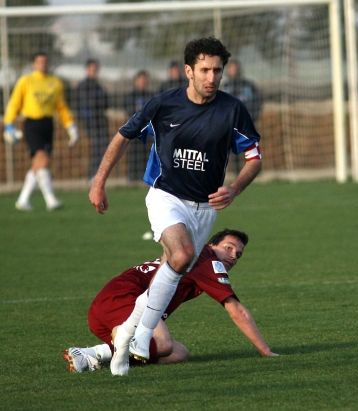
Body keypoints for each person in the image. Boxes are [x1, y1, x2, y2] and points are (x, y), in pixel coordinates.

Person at [88, 37, 263, 376]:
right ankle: (139, 340)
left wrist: (235, 189)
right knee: (181, 256)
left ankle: (126, 333)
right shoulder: (163, 105)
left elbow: (254, 159)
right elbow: (123, 135)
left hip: (205, 208)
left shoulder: (232, 110)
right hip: (165, 195)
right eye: (205, 70)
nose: (212, 77)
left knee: (173, 266)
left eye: (217, 71)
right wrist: (98, 182)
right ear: (188, 71)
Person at [63, 229, 278, 373]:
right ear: (212, 245)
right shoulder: (207, 259)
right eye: (228, 248)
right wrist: (265, 351)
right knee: (163, 343)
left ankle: (93, 354)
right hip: (121, 300)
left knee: (178, 353)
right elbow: (236, 310)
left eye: (238, 255)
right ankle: (109, 346)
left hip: (105, 308)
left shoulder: (195, 253)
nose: (233, 256)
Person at [3, 51, 79, 211]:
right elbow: (14, 103)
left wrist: (70, 126)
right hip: (32, 124)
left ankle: (23, 200)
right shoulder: (26, 81)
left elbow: (61, 107)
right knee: (42, 160)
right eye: (39, 62)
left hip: (48, 124)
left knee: (39, 164)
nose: (42, 64)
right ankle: (50, 199)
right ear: (34, 64)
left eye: (45, 61)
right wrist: (8, 124)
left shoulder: (55, 82)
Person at [222, 59, 263, 175]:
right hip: (231, 124)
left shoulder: (248, 85)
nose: (233, 70)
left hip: (246, 123)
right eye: (231, 68)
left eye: (235, 67)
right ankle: (237, 173)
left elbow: (258, 101)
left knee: (251, 148)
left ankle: (254, 173)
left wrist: (253, 117)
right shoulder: (225, 86)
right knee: (232, 150)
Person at [75, 59, 109, 179]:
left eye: (96, 69)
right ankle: (92, 175)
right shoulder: (82, 86)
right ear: (87, 69)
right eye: (92, 69)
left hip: (101, 122)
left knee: (104, 149)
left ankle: (99, 175)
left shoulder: (99, 86)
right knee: (96, 148)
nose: (95, 72)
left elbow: (105, 104)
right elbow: (80, 107)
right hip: (90, 123)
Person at [124, 70, 154, 181]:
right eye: (140, 79)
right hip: (135, 128)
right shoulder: (130, 96)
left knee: (147, 153)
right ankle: (132, 176)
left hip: (148, 130)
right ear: (136, 81)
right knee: (133, 152)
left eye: (144, 80)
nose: (142, 82)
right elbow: (128, 111)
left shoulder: (151, 96)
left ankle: (145, 176)